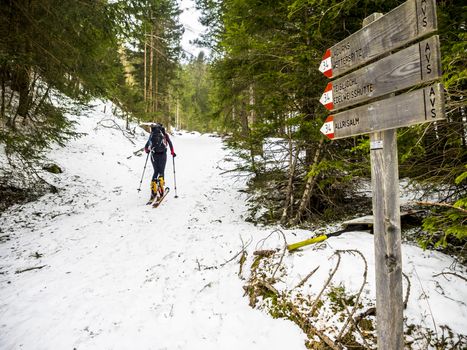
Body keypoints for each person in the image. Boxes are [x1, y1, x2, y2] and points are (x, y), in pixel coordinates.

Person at [144, 123, 176, 203]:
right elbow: (170, 143)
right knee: (161, 171)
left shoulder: (152, 134)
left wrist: (147, 150)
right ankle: (161, 190)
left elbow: (147, 145)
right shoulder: (164, 134)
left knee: (155, 171)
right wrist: (172, 152)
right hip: (162, 155)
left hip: (153, 155)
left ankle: (153, 191)